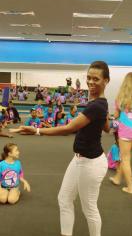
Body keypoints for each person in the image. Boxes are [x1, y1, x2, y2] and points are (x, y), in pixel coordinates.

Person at [10, 61, 110, 236]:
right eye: (88, 78)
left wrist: (37, 130)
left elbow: (68, 128)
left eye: (96, 79)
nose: (91, 82)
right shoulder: (98, 102)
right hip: (79, 159)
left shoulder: (97, 105)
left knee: (89, 209)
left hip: (91, 164)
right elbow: (107, 127)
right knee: (64, 199)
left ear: (106, 81)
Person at [110, 72, 132, 194]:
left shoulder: (120, 99)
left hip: (126, 130)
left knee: (125, 158)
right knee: (126, 156)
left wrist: (111, 118)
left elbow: (116, 115)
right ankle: (117, 178)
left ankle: (130, 188)